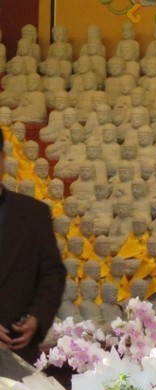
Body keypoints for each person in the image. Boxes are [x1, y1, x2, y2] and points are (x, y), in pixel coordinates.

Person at [0, 134, 67, 363]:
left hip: (18, 351)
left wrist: (37, 318)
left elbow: (52, 274)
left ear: (3, 159)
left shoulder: (34, 214)